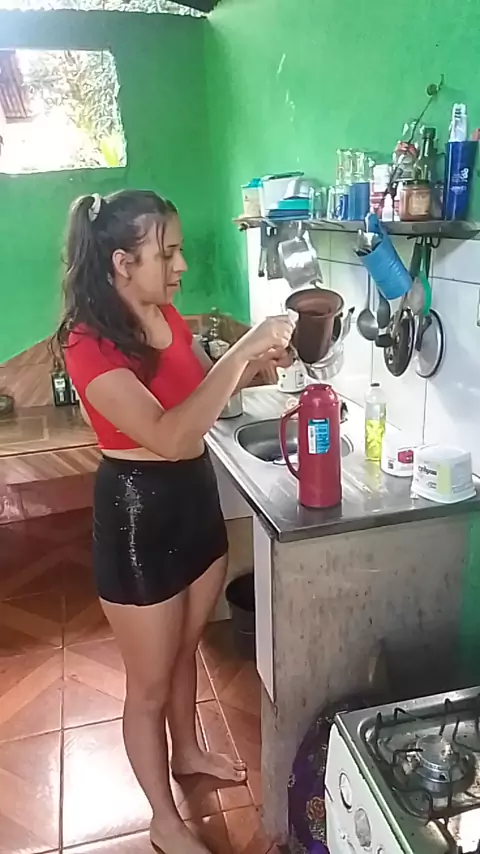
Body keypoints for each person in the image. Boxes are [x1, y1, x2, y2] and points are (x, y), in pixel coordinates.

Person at [57, 189, 294, 854]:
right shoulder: (86, 343)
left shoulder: (165, 316)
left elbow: (196, 395)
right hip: (138, 515)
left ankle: (187, 751)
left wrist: (251, 369)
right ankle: (164, 822)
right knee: (150, 684)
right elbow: (167, 433)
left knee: (186, 646)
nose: (181, 265)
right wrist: (244, 349)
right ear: (121, 261)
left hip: (193, 496)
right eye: (167, 254)